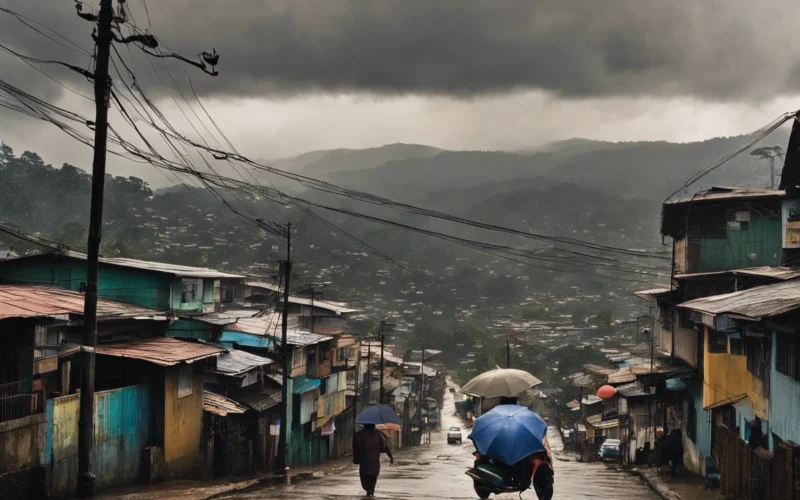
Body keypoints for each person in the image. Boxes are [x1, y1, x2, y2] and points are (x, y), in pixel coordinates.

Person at [353, 424, 394, 496]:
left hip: (364, 463)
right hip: (374, 463)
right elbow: (385, 446)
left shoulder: (359, 434)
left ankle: (369, 490)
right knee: (373, 478)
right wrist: (391, 457)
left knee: (365, 480)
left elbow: (355, 447)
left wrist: (355, 458)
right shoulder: (378, 434)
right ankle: (370, 491)